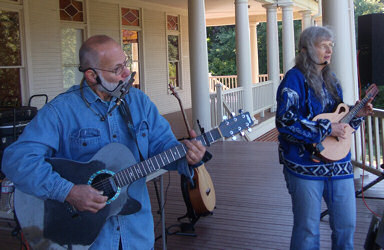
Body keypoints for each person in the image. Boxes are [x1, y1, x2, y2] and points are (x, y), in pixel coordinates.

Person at [2, 35, 207, 249]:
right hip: (87, 237)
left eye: (126, 64)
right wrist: (67, 192)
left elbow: (162, 145)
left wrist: (188, 155)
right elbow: (16, 159)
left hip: (136, 234)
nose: (127, 73)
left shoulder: (140, 102)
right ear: (92, 75)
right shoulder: (61, 111)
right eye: (117, 69)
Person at [276, 26, 373, 250]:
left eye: (331, 46)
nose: (329, 51)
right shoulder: (293, 80)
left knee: (346, 226)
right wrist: (326, 129)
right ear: (307, 49)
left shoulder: (332, 80)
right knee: (308, 230)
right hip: (303, 166)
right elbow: (285, 123)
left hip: (339, 165)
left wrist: (358, 115)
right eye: (323, 46)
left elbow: (341, 124)